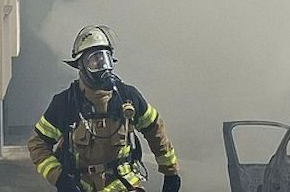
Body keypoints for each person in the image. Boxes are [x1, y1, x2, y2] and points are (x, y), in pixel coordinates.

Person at [28, 25, 181, 191]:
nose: (103, 66)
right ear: (81, 66)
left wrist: (170, 172)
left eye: (105, 58)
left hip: (123, 183)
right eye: (95, 60)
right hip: (82, 186)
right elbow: (37, 144)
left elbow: (154, 129)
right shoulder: (65, 103)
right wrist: (60, 179)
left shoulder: (127, 96)